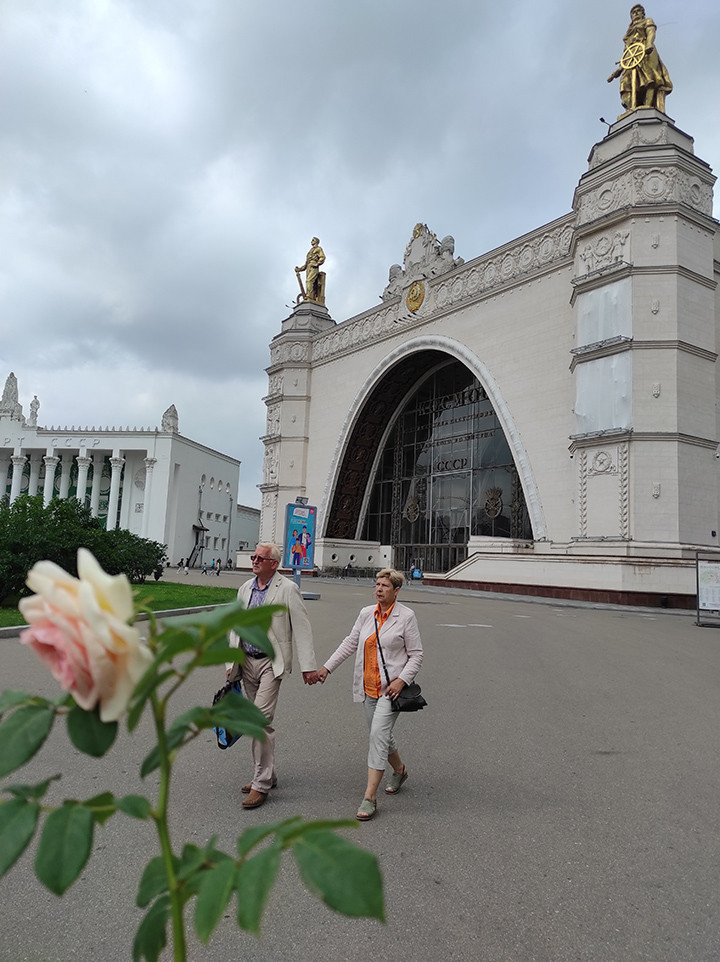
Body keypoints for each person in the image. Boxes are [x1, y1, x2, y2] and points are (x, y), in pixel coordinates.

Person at [316, 569, 423, 821]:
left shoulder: (406, 616)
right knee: (380, 734)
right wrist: (326, 668)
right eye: (377, 584)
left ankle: (370, 796)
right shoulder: (366, 614)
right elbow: (350, 643)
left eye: (385, 585)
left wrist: (401, 680)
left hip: (391, 691)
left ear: (396, 590)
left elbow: (416, 654)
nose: (379, 589)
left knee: (377, 735)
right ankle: (399, 770)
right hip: (368, 688)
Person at [226, 542, 319, 809]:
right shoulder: (245, 588)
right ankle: (267, 773)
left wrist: (308, 666)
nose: (254, 560)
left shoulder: (288, 589)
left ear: (274, 564)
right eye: (254, 556)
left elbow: (302, 628)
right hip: (246, 663)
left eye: (260, 558)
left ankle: (261, 784)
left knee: (259, 722)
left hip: (271, 663)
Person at [607, 5, 672, 114]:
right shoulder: (629, 32)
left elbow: (651, 32)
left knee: (649, 77)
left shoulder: (647, 21)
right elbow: (626, 51)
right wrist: (620, 68)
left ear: (643, 14)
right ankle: (631, 108)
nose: (636, 13)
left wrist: (649, 44)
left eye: (639, 11)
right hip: (632, 57)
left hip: (646, 51)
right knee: (625, 82)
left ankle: (647, 105)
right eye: (633, 12)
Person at [295, 237, 326, 305]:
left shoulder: (318, 249)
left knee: (309, 281)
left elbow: (322, 257)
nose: (311, 241)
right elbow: (306, 264)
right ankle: (310, 296)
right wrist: (299, 269)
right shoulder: (310, 251)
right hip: (309, 266)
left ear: (316, 241)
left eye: (313, 240)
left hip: (313, 266)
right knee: (310, 283)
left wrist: (317, 263)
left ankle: (310, 297)